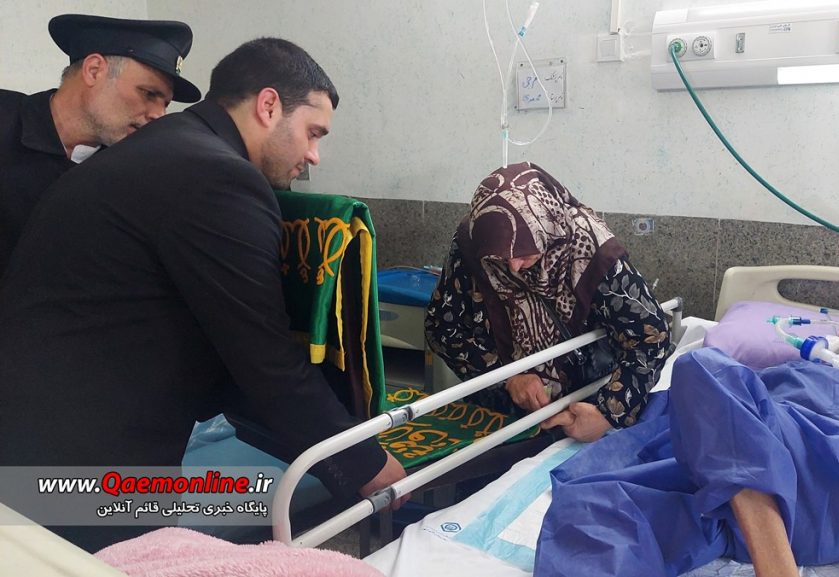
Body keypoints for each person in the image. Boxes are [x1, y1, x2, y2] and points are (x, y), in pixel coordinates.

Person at [0, 38, 405, 551]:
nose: (313, 156)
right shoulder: (219, 178)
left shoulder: (162, 147)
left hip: (33, 435)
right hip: (81, 461)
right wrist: (364, 463)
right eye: (313, 132)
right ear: (268, 105)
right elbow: (263, 357)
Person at [534, 298, 839, 576]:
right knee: (596, 508)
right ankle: (758, 525)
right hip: (728, 491)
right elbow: (702, 413)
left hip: (832, 486)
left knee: (704, 366)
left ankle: (776, 563)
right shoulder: (780, 371)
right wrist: (609, 420)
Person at [425, 162, 674, 442]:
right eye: (500, 258)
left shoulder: (591, 249)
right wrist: (507, 378)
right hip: (505, 411)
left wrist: (607, 413)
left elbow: (650, 336)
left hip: (588, 401)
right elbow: (442, 328)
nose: (514, 267)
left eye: (524, 253)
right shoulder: (474, 242)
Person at [0, 14, 202, 278]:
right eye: (149, 93)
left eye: (165, 103)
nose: (158, 114)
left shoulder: (134, 176)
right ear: (94, 70)